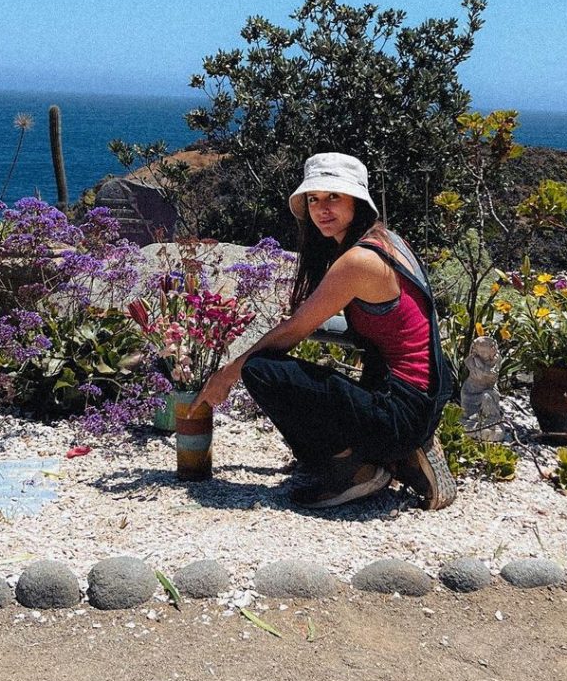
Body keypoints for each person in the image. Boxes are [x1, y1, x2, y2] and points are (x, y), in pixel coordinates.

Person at [191, 152, 456, 510]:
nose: (321, 209)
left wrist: (225, 376)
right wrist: (305, 323)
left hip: (401, 411)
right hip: (422, 399)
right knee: (285, 370)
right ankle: (403, 453)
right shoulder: (388, 241)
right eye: (313, 199)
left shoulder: (358, 261)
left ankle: (358, 470)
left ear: (357, 201)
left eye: (334, 196)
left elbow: (294, 330)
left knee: (261, 371)